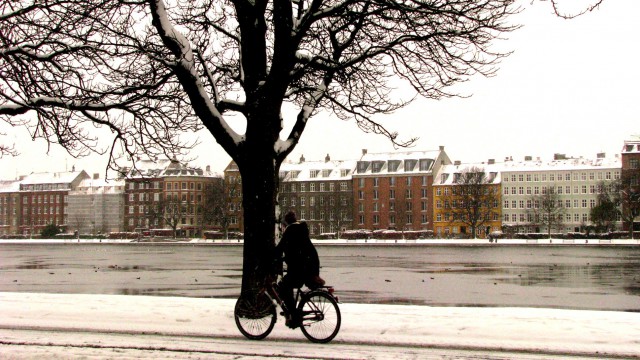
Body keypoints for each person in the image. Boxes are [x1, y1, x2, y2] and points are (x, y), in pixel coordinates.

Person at [275, 210, 325, 328]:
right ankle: (293, 313)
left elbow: (282, 247)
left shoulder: (290, 230)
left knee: (283, 287)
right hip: (307, 268)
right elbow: (298, 250)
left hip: (299, 269)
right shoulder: (301, 230)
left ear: (286, 222)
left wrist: (272, 256)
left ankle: (293, 315)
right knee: (288, 285)